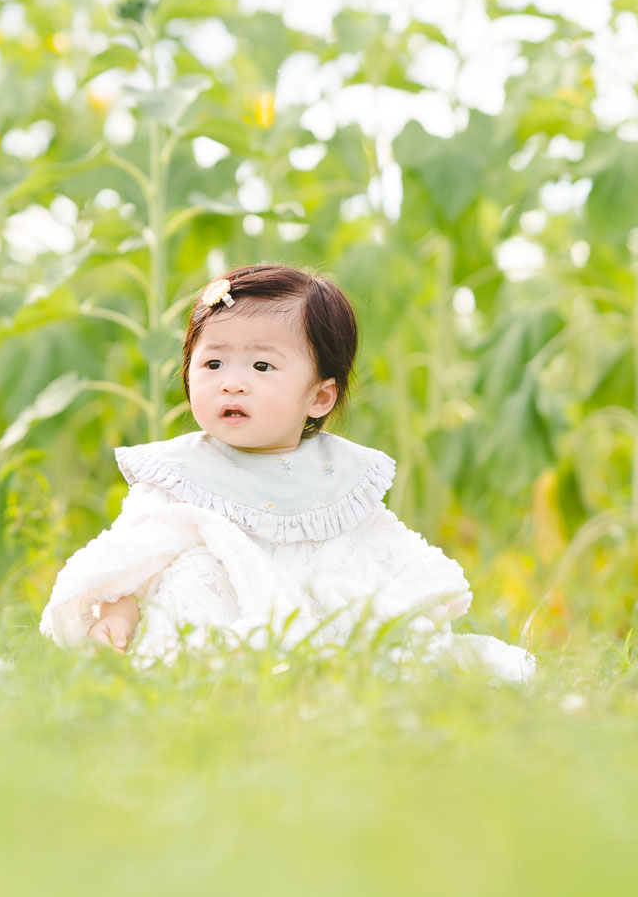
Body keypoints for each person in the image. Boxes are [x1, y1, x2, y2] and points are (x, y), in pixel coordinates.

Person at [38, 262, 536, 684]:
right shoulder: (179, 472)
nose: (231, 384)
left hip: (317, 611)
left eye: (261, 367)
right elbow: (135, 553)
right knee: (193, 586)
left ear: (320, 396)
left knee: (360, 610)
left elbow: (378, 554)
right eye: (212, 364)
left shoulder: (338, 475)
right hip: (210, 615)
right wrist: (119, 613)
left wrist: (406, 608)